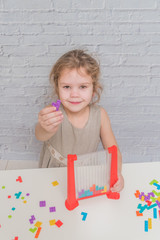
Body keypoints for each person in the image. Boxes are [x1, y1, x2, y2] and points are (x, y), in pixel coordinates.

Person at [35, 49, 124, 192]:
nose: (74, 94)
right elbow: (39, 135)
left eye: (82, 87)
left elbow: (114, 151)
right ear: (58, 88)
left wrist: (117, 172)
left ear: (93, 89)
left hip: (84, 174)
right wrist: (45, 128)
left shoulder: (100, 115)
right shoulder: (53, 113)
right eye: (66, 87)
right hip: (53, 172)